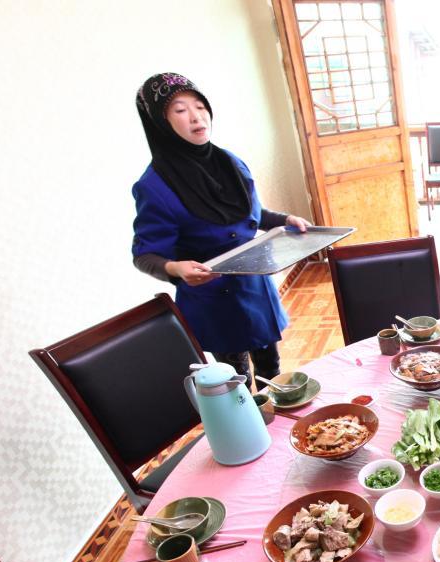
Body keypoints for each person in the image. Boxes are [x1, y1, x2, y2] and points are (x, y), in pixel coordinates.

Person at [130, 72, 312, 384]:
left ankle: (276, 421)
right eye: (180, 110)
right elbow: (144, 254)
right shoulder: (153, 186)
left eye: (199, 106)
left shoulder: (230, 162)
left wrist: (284, 220)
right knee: (235, 379)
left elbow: (247, 215)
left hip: (255, 285)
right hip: (212, 296)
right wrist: (175, 267)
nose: (196, 116)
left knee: (271, 368)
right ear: (160, 122)